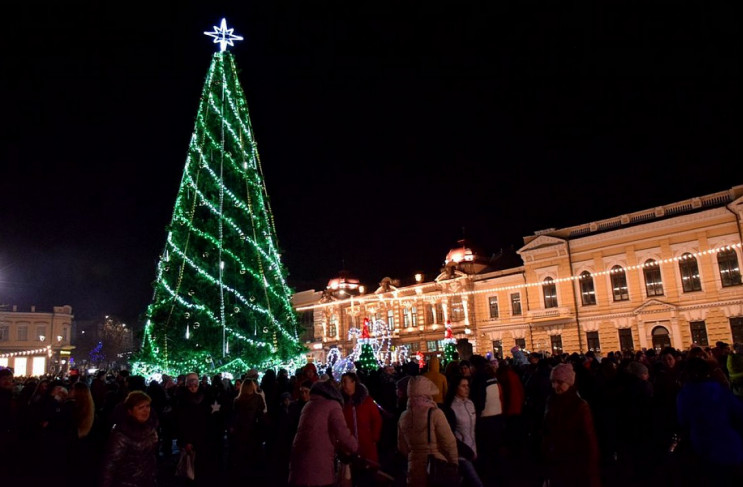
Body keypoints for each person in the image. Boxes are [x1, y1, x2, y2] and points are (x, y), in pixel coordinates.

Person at [676, 357, 743, 485]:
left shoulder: (684, 395)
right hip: (731, 447)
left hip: (703, 449)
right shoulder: (720, 390)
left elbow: (683, 421)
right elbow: (738, 413)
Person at [289, 379, 358, 487]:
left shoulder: (309, 405)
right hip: (318, 465)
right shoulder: (332, 405)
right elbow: (342, 432)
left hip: (299, 465)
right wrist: (355, 447)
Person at [542, 363, 601, 487]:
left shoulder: (580, 406)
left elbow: (589, 439)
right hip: (555, 460)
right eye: (553, 382)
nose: (555, 386)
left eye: (559, 382)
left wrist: (591, 470)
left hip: (575, 461)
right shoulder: (550, 401)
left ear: (569, 383)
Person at [397, 375, 458, 487]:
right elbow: (449, 442)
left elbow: (402, 447)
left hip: (413, 470)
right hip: (435, 467)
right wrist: (454, 462)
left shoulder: (403, 416)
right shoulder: (435, 413)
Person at [100, 391, 158, 487]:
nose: (146, 410)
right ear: (130, 411)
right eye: (140, 408)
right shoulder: (121, 434)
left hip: (147, 480)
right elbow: (110, 464)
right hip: (126, 482)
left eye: (147, 406)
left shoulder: (150, 429)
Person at [340, 372, 383, 487]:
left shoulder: (366, 401)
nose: (343, 384)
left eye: (345, 381)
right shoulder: (342, 403)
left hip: (367, 446)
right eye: (342, 381)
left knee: (368, 477)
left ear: (353, 382)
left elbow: (377, 420)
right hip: (349, 449)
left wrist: (374, 437)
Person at [443, 376, 483, 487]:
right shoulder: (451, 408)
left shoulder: (470, 404)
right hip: (461, 453)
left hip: (473, 450)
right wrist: (465, 450)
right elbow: (450, 434)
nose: (467, 388)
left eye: (468, 386)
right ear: (456, 388)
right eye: (463, 386)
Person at [229, 376, 267, 478]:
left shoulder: (237, 400)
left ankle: (242, 473)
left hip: (241, 429)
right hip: (253, 428)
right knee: (253, 452)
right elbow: (261, 414)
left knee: (242, 452)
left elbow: (235, 414)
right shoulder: (258, 398)